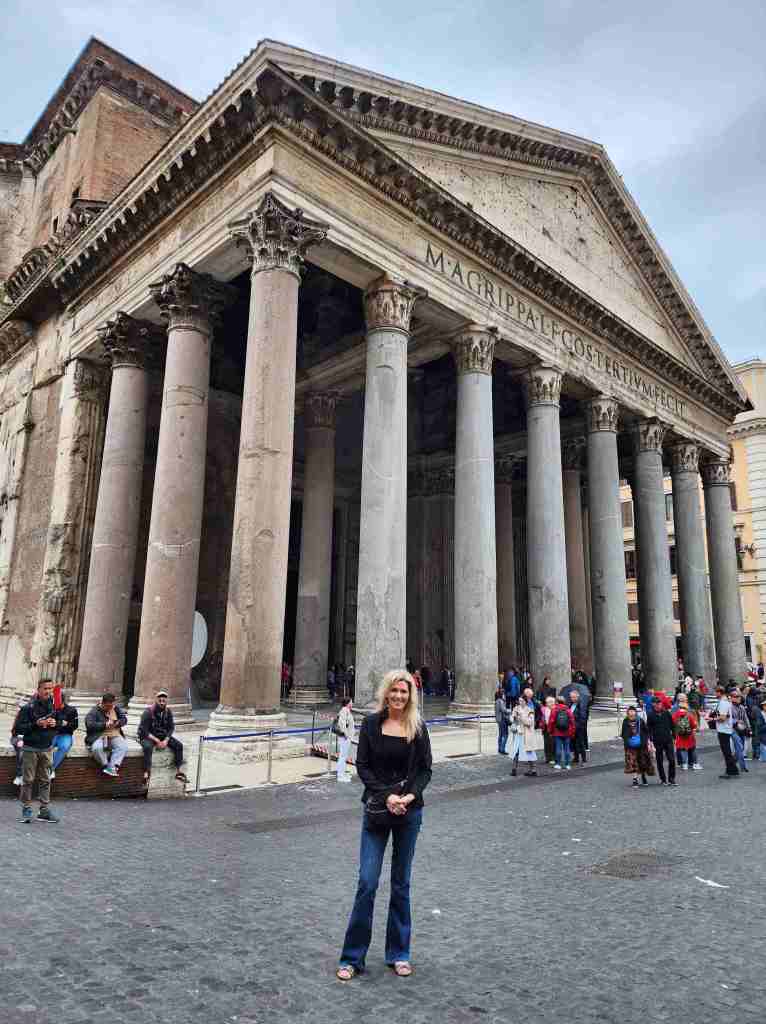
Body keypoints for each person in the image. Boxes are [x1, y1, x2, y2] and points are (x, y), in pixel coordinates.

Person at [336, 670, 432, 981]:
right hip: (378, 809)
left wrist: (408, 797)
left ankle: (399, 953)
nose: (399, 696)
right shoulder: (372, 725)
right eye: (394, 691)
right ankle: (352, 957)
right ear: (385, 693)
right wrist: (387, 795)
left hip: (409, 811)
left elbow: (425, 770)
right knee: (367, 883)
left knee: (401, 885)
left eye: (404, 692)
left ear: (410, 695)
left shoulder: (417, 726)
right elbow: (362, 765)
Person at [14, 679, 60, 823]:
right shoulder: (28, 707)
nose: (48, 691)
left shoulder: (53, 707)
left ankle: (44, 810)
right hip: (31, 748)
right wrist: (36, 723)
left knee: (46, 780)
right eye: (45, 688)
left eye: (50, 689)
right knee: (28, 780)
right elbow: (18, 729)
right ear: (38, 689)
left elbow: (60, 726)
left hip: (46, 748)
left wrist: (55, 724)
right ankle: (26, 808)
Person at [137, 690, 186, 784]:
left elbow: (171, 727)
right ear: (156, 700)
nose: (162, 703)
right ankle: (146, 773)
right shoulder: (148, 712)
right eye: (160, 700)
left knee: (179, 745)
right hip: (148, 736)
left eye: (164, 700)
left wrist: (166, 740)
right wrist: (157, 741)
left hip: (161, 735)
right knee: (147, 747)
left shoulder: (168, 712)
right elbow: (144, 730)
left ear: (166, 701)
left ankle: (179, 771)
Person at [85, 693, 129, 777]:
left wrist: (118, 723)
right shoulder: (94, 711)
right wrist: (104, 724)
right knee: (97, 748)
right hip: (99, 735)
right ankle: (106, 765)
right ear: (103, 703)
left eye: (111, 706)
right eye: (108, 706)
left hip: (114, 734)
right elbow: (89, 725)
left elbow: (124, 719)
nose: (110, 708)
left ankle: (112, 767)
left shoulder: (115, 709)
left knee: (123, 746)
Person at [508, 689, 540, 777]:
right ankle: (514, 769)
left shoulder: (530, 710)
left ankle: (533, 770)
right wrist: (513, 718)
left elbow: (530, 722)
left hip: (526, 734)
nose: (520, 702)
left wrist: (521, 717)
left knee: (529, 752)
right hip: (518, 733)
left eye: (522, 701)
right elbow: (511, 718)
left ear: (526, 701)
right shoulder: (516, 708)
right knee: (516, 751)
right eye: (519, 701)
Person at [621, 705, 654, 787]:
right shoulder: (625, 721)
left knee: (642, 761)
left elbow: (646, 732)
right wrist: (627, 741)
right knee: (633, 762)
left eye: (633, 711)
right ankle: (635, 779)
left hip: (641, 745)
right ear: (628, 713)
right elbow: (623, 733)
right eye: (630, 711)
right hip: (630, 746)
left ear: (635, 712)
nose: (631, 713)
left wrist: (648, 742)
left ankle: (643, 776)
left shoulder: (640, 721)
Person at [647, 695, 676, 786]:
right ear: (653, 704)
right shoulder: (650, 715)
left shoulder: (666, 713)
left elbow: (672, 725)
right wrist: (650, 741)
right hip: (657, 740)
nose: (659, 705)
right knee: (659, 761)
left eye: (660, 703)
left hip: (668, 739)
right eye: (657, 703)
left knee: (671, 760)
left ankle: (671, 779)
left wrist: (674, 737)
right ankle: (663, 779)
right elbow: (649, 729)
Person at [50, 690, 78, 779]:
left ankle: (51, 769)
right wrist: (61, 723)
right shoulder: (51, 709)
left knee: (64, 747)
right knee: (44, 746)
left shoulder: (72, 710)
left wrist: (65, 724)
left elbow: (74, 725)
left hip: (65, 734)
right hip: (52, 734)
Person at [714, 687, 739, 778]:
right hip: (725, 729)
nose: (715, 694)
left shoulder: (723, 703)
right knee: (727, 751)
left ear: (719, 693)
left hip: (723, 730)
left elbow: (723, 718)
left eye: (715, 692)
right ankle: (732, 770)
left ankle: (731, 770)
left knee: (726, 751)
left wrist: (712, 719)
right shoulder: (725, 702)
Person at [672, 693, 701, 771]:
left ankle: (683, 764)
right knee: (692, 748)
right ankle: (694, 764)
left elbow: (672, 722)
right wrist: (695, 728)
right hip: (689, 733)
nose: (687, 699)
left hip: (680, 733)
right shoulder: (688, 713)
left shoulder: (675, 712)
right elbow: (693, 723)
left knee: (682, 749)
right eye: (685, 698)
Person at [548, 695, 575, 770]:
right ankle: (567, 764)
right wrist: (572, 732)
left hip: (557, 732)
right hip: (567, 732)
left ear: (557, 702)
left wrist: (550, 731)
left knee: (558, 748)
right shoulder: (568, 710)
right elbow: (572, 722)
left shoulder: (554, 710)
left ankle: (558, 764)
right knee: (567, 749)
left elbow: (551, 722)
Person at [335, 695, 356, 782]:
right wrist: (346, 735)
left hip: (346, 737)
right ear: (348, 703)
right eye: (351, 701)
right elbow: (342, 724)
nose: (352, 703)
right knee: (343, 756)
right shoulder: (344, 711)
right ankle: (340, 775)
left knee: (343, 756)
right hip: (344, 737)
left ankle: (342, 773)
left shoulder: (346, 711)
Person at [729, 690, 750, 773]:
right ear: (732, 698)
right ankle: (743, 766)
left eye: (739, 697)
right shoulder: (729, 707)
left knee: (740, 748)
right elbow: (728, 719)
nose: (738, 698)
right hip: (733, 729)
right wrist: (736, 721)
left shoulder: (741, 707)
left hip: (742, 729)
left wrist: (749, 728)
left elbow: (746, 718)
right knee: (739, 747)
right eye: (736, 697)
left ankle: (732, 762)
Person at [569, 689, 588, 766]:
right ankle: (576, 757)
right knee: (573, 743)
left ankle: (584, 758)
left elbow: (583, 716)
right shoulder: (570, 704)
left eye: (573, 697)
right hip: (573, 727)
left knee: (581, 743)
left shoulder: (581, 704)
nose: (572, 698)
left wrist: (578, 725)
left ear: (577, 697)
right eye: (571, 697)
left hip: (579, 727)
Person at [540, 694, 557, 766]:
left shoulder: (555, 709)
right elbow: (542, 718)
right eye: (546, 702)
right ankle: (548, 758)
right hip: (545, 728)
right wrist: (541, 723)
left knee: (553, 744)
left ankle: (553, 758)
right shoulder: (544, 709)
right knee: (546, 743)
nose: (547, 704)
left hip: (553, 729)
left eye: (548, 702)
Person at [495, 685, 509, 755]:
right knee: (505, 735)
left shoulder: (497, 701)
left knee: (500, 735)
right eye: (504, 694)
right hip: (502, 719)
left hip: (499, 719)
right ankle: (502, 749)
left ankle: (500, 748)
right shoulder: (500, 701)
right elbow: (503, 710)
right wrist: (509, 711)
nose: (505, 695)